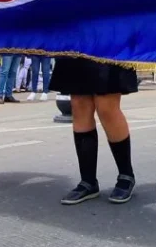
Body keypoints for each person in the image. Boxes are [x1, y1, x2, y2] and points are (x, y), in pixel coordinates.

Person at [50, 56, 138, 205]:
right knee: (79, 105)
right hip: (77, 42)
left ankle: (126, 175)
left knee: (106, 107)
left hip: (109, 42)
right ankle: (88, 181)